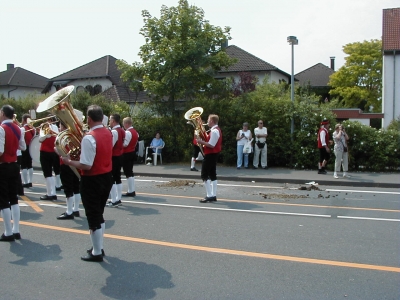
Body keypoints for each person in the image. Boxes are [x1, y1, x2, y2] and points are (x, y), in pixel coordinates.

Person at [62, 105, 113, 262]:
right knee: (99, 214)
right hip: (106, 176)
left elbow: (86, 165)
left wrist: (69, 161)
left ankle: (97, 252)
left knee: (93, 216)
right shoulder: (108, 132)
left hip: (92, 179)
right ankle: (98, 247)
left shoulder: (89, 137)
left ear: (89, 119)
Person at [0, 105, 26, 241]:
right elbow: (23, 146)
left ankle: (8, 232)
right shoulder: (18, 128)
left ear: (3, 113)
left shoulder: (1, 129)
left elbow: (0, 151)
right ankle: (16, 230)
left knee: (4, 200)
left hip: (3, 166)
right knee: (14, 198)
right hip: (15, 165)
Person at [56, 123, 81, 220]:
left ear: (63, 127)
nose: (59, 128)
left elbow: (61, 152)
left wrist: (56, 149)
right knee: (76, 188)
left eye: (61, 126)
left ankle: (69, 211)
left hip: (66, 164)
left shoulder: (62, 137)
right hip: (75, 163)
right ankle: (76, 209)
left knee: (68, 189)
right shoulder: (74, 136)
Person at [196, 114, 222, 203]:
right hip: (212, 154)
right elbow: (209, 140)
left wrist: (200, 141)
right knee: (212, 174)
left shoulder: (214, 131)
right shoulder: (214, 130)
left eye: (208, 119)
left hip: (211, 154)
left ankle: (209, 195)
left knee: (204, 175)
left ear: (212, 121)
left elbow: (211, 145)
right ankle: (213, 195)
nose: (207, 121)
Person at [38, 115, 61, 200]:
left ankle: (50, 193)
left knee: (47, 174)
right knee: (50, 174)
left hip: (45, 152)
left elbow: (40, 139)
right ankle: (53, 193)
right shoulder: (55, 127)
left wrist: (45, 135)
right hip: (53, 152)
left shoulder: (44, 127)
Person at [107, 114, 125, 207]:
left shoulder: (114, 131)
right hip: (120, 155)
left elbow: (111, 145)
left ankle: (114, 200)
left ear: (113, 121)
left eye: (110, 120)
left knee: (112, 178)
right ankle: (118, 198)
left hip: (114, 156)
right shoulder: (122, 130)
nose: (109, 122)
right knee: (117, 177)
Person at [122, 117, 139, 197]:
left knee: (128, 172)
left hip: (127, 153)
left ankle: (130, 190)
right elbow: (135, 143)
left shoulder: (128, 132)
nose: (123, 125)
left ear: (127, 124)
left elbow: (125, 144)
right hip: (132, 152)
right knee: (130, 172)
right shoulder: (135, 132)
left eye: (124, 123)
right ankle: (132, 190)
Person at [21, 114, 35, 188]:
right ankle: (30, 181)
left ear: (23, 120)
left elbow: (21, 140)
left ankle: (25, 182)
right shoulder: (33, 129)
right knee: (30, 164)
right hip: (31, 147)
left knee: (23, 165)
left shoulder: (23, 129)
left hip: (25, 147)